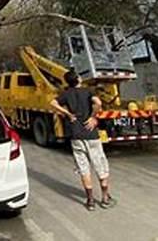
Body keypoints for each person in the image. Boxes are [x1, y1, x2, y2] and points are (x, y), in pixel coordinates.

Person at [50, 69, 115, 211]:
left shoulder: (66, 94)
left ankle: (90, 200)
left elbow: (53, 103)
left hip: (76, 135)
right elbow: (98, 103)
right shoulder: (88, 91)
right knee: (100, 165)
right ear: (78, 79)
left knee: (83, 168)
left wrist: (67, 114)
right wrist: (93, 116)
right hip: (91, 135)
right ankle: (104, 197)